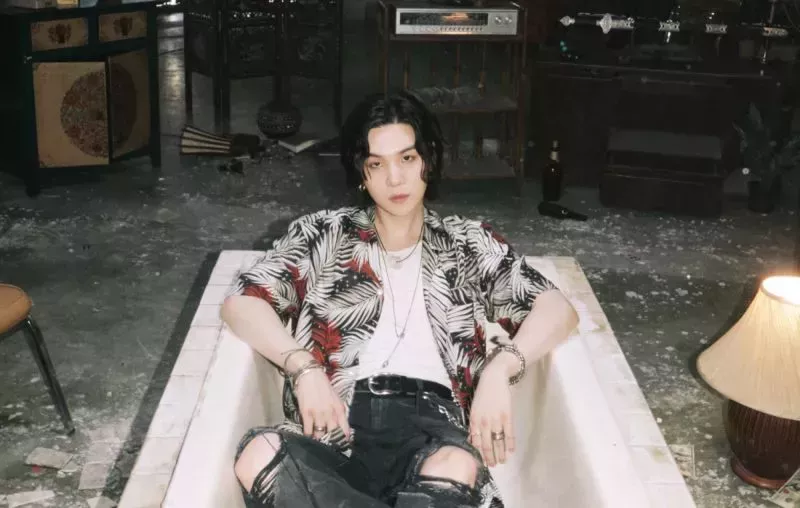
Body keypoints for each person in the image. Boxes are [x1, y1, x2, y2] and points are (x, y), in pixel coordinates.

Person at [221, 90, 578, 508]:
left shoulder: (466, 243)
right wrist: (304, 369)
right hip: (336, 426)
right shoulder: (324, 234)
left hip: (433, 430)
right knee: (259, 454)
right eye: (377, 164)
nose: (395, 179)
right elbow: (242, 303)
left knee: (454, 467)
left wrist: (500, 370)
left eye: (407, 158)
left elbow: (558, 310)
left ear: (429, 159)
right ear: (361, 172)